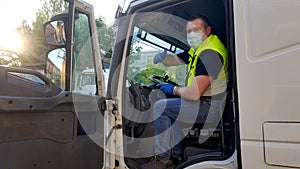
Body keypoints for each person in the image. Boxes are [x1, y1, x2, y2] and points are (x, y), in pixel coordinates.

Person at [141, 15, 228, 169]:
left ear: (208, 30)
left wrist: (174, 89)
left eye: (196, 29)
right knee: (172, 110)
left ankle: (163, 160)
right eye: (189, 31)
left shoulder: (209, 53)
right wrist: (163, 58)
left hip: (211, 107)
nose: (191, 34)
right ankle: (177, 156)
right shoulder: (199, 49)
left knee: (161, 107)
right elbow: (175, 60)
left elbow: (194, 94)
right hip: (206, 103)